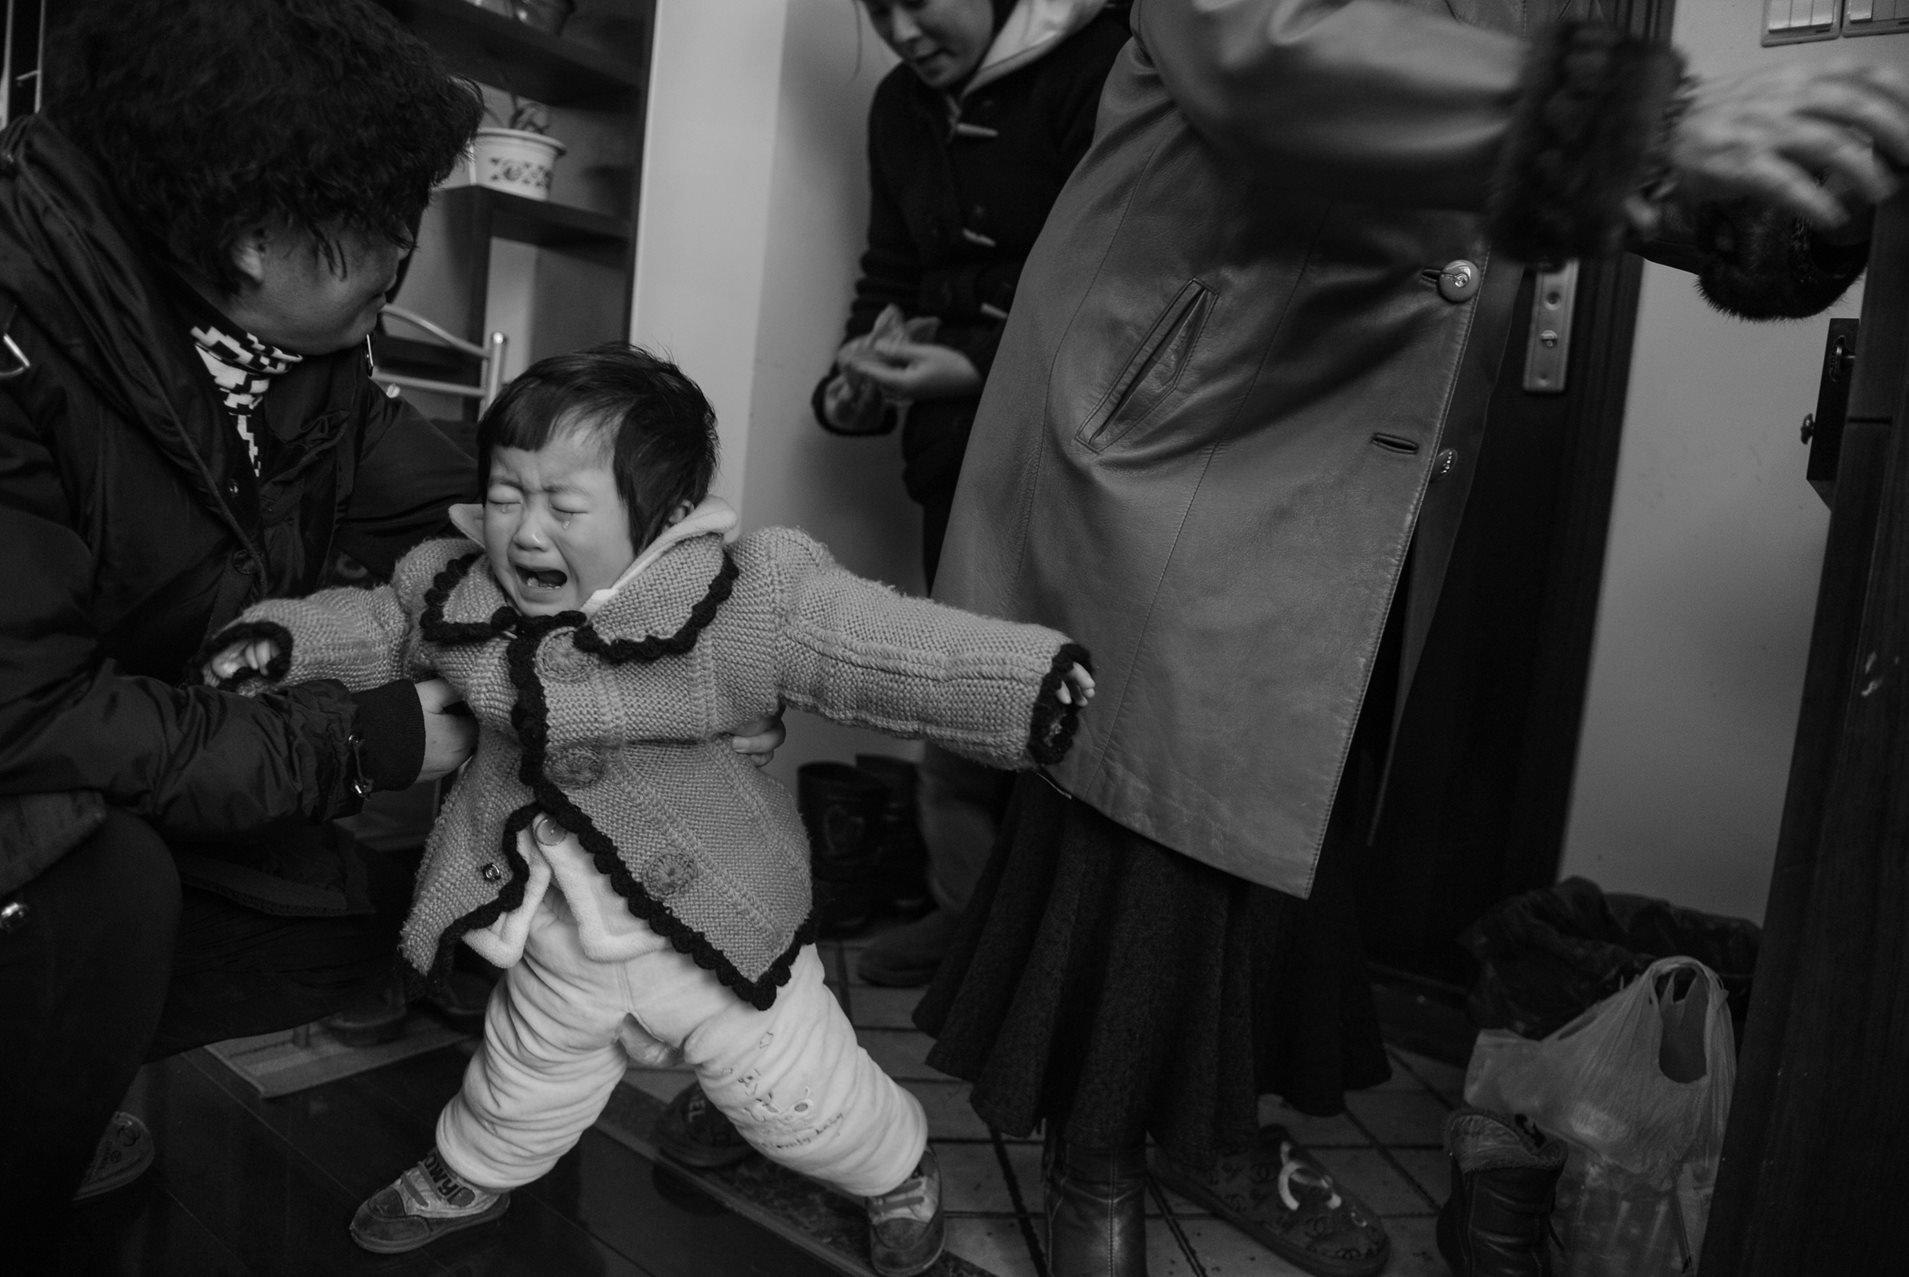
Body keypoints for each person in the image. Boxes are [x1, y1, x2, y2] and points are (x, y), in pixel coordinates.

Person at [909, 3, 1909, 1277]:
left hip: (1365, 459)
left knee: (1286, 832)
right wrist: (1658, 116)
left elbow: (1532, 154)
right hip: (1193, 433)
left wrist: (1768, 186)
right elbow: (1260, 42)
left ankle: (1209, 1129)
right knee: (1144, 824)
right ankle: (1095, 1157)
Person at [0, 1, 781, 1262]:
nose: (400, 275)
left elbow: (451, 506)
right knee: (98, 898)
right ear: (259, 238)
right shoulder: (21, 345)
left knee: (353, 919)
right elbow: (30, 720)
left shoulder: (287, 348)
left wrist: (683, 624)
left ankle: (63, 1071)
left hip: (131, 725)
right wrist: (364, 738)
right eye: (392, 242)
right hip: (37, 773)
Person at [203, 343, 1095, 1275]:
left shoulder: (740, 601)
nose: (526, 532)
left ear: (663, 517)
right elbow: (377, 625)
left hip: (721, 929)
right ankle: (472, 1167)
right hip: (557, 928)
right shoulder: (452, 586)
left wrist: (1023, 682)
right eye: (507, 493)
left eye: (566, 505)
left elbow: (879, 644)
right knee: (521, 1073)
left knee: (805, 1101)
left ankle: (898, 1168)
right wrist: (283, 642)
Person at [812, 0, 1130, 991]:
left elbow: (1128, 286)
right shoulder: (900, 108)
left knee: (1072, 704)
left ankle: (1061, 960)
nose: (902, 30)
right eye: (878, 8)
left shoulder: (1108, 63)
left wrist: (974, 366)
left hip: (1086, 444)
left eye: (921, 0)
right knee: (960, 692)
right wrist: (854, 375)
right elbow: (890, 275)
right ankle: (967, 920)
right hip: (955, 453)